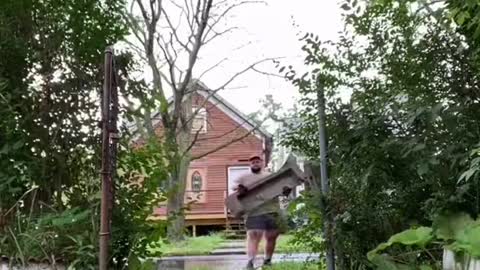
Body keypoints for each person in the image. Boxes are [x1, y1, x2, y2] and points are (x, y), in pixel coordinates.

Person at [234, 154, 292, 269]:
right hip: (254, 211)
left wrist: (285, 195)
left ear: (262, 163)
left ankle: (268, 260)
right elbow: (235, 193)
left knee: (272, 236)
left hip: (272, 210)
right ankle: (250, 262)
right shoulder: (244, 178)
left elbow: (281, 194)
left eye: (257, 161)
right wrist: (240, 191)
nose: (255, 163)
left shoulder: (270, 176)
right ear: (250, 164)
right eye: (253, 162)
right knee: (254, 235)